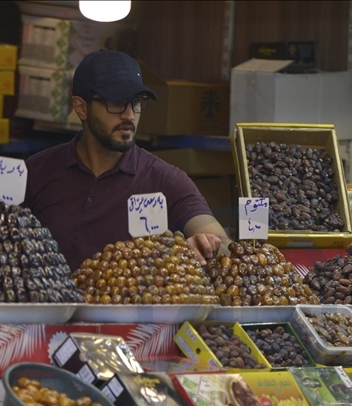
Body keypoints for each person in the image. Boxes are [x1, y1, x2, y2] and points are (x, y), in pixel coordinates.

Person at [24, 50, 227, 270]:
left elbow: (222, 244)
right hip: (51, 304)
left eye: (136, 102)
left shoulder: (164, 180)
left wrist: (206, 244)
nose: (129, 115)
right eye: (116, 102)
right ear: (81, 107)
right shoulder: (36, 172)